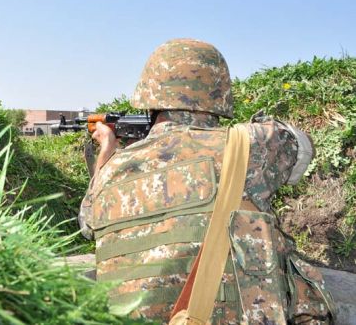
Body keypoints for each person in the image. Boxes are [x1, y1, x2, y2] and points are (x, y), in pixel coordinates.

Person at [79, 38, 334, 324]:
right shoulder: (249, 143)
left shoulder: (111, 171)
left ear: (148, 96)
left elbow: (87, 224)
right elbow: (303, 147)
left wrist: (108, 151)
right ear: (219, 92)